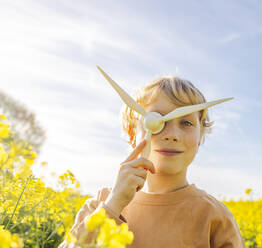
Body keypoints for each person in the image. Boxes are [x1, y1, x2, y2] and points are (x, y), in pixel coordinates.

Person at [58, 76, 245, 247]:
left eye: (186, 123)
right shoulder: (100, 205)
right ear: (133, 134)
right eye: (156, 121)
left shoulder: (215, 218)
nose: (172, 135)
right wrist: (113, 206)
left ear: (200, 137)